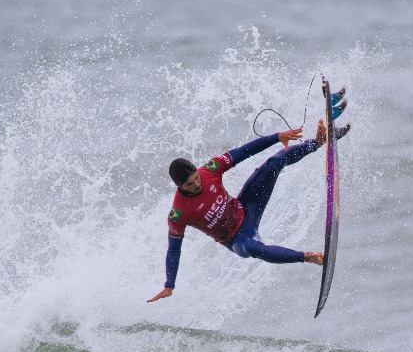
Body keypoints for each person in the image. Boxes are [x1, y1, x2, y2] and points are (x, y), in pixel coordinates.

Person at [147, 118, 349, 303]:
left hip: (247, 207)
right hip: (237, 239)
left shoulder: (209, 170)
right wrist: (169, 284)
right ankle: (309, 257)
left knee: (273, 163)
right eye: (190, 185)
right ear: (179, 186)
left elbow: (244, 151)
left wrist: (277, 137)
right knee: (252, 249)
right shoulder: (179, 213)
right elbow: (173, 249)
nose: (197, 184)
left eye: (196, 178)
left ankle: (318, 142)